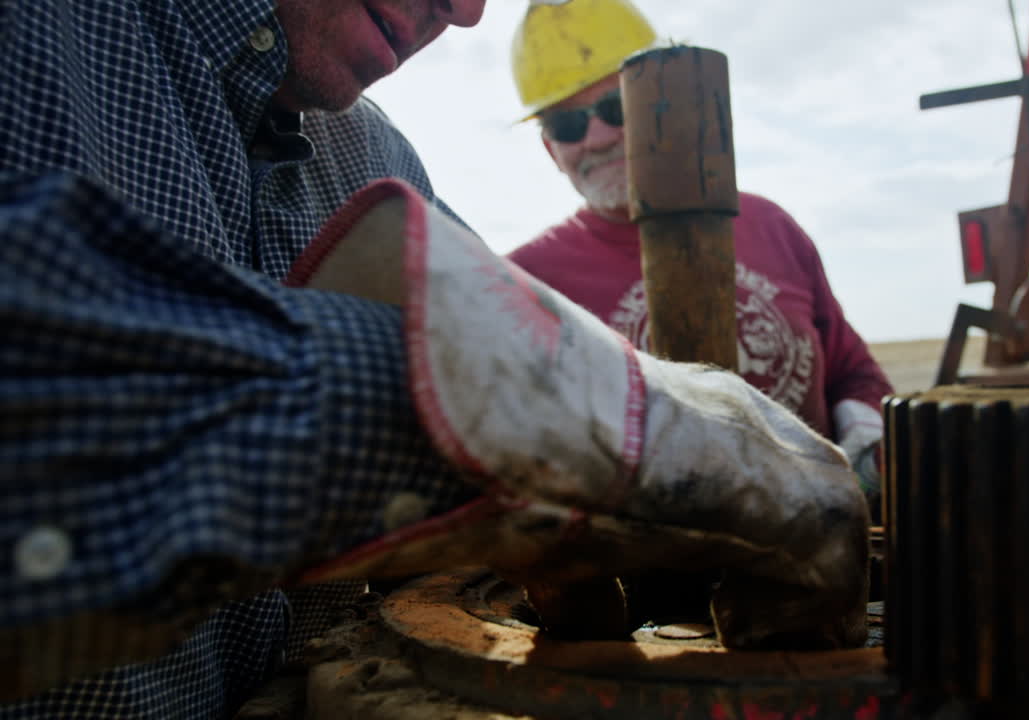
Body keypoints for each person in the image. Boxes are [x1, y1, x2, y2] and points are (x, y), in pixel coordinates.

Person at [1, 0, 869, 716]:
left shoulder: (378, 163)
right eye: (571, 119)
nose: (466, 11)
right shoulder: (37, 36)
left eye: (615, 107)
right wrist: (578, 425)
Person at [506, 0, 895, 499]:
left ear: (666, 104)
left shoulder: (770, 226)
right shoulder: (524, 283)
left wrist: (862, 459)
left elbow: (853, 371)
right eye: (567, 126)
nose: (598, 137)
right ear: (548, 148)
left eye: (616, 108)